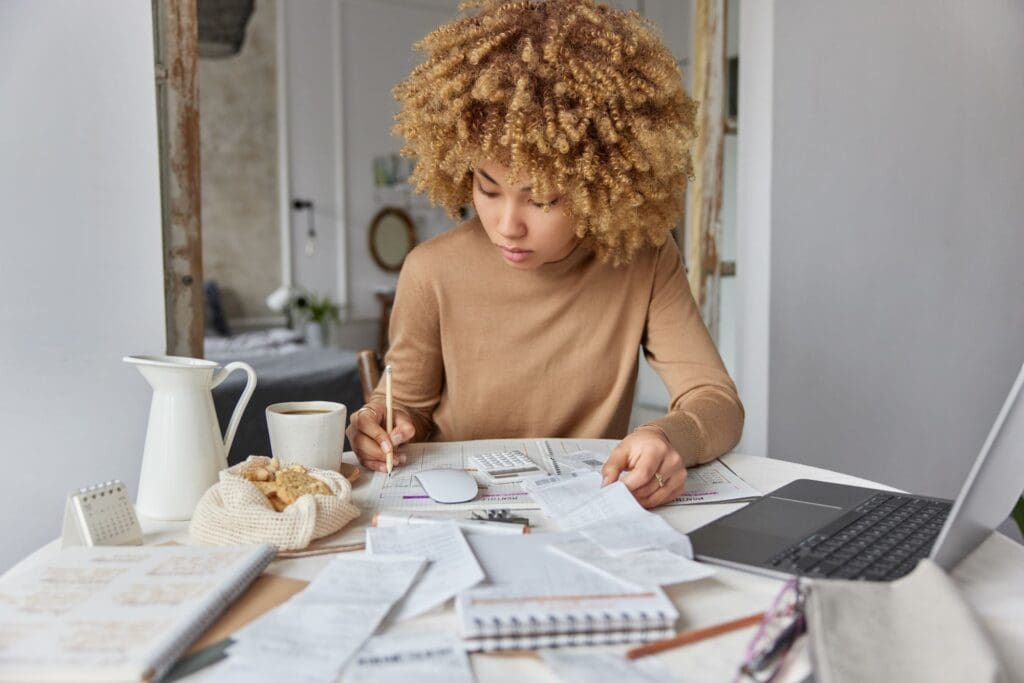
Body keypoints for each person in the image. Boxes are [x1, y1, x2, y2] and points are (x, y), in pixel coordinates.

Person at [346, 0, 743, 508]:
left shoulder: (643, 260)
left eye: (543, 199)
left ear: (603, 183)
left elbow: (717, 403)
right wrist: (380, 420)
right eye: (488, 191)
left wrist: (667, 438)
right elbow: (408, 409)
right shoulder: (432, 270)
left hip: (589, 508)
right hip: (457, 510)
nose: (507, 226)